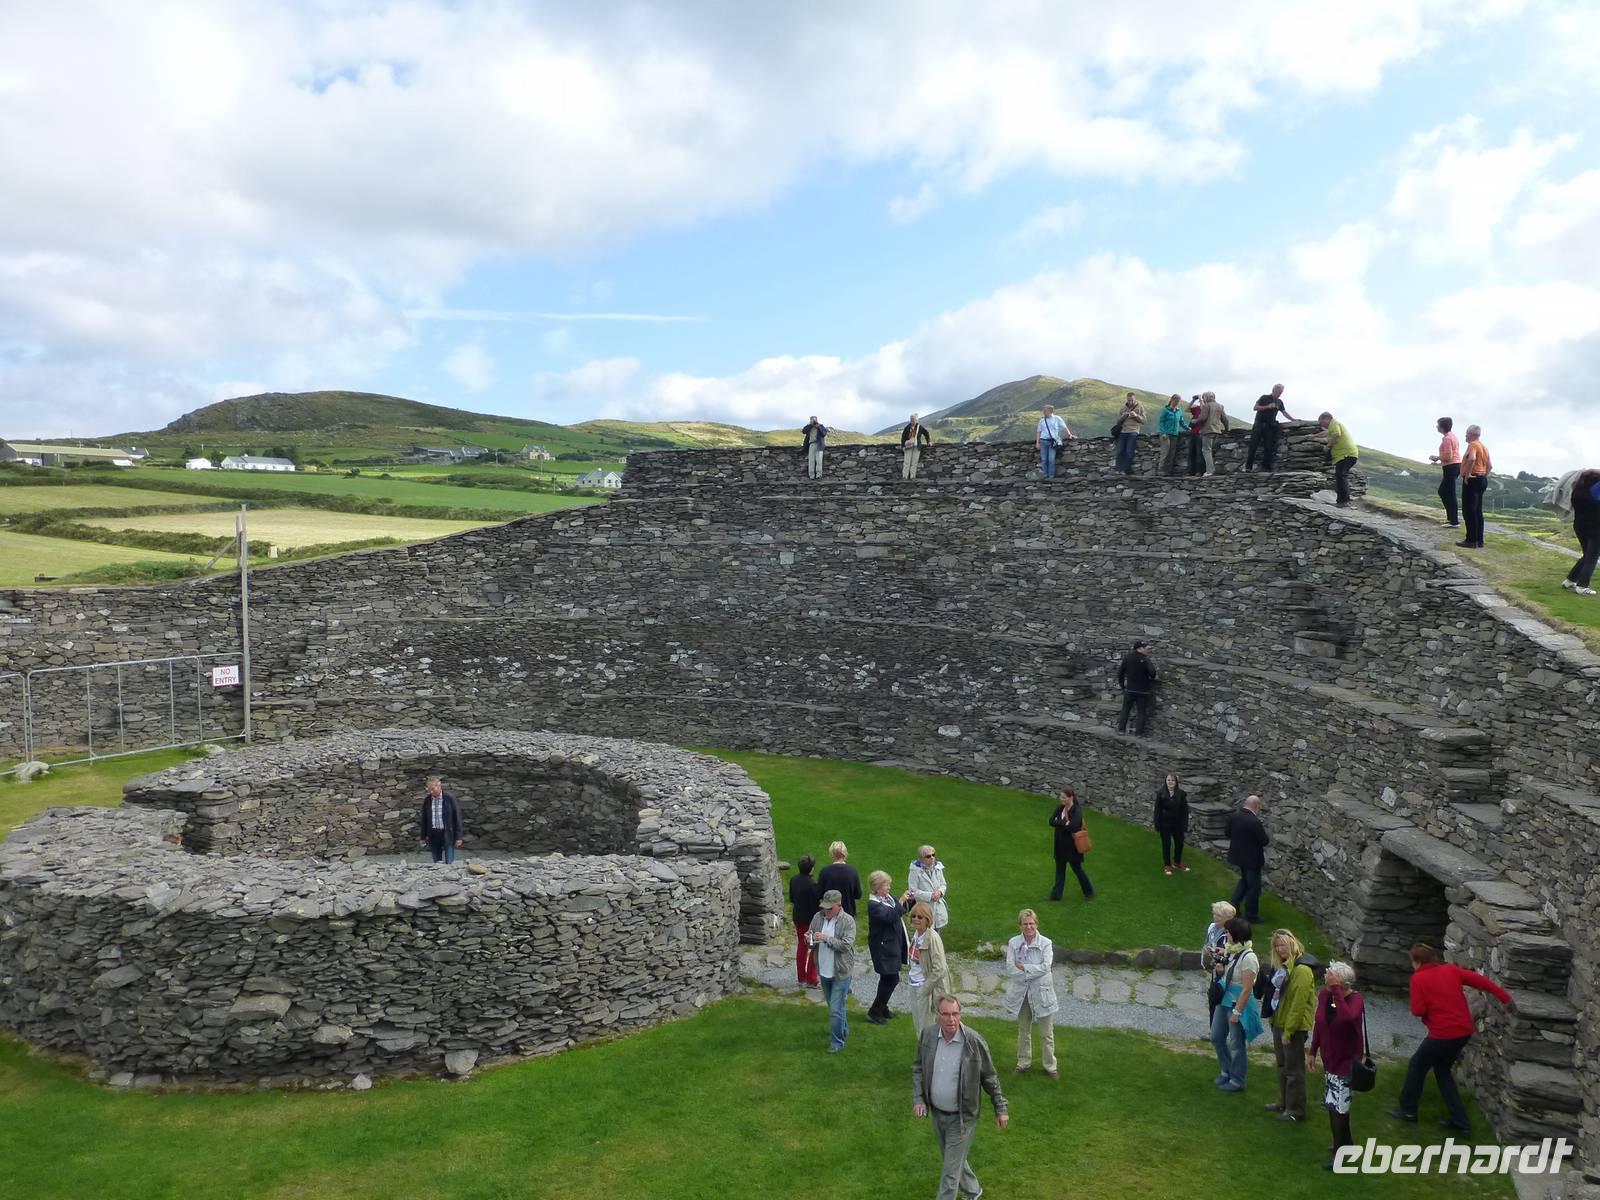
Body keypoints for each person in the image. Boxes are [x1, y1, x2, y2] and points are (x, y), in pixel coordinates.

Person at [1387, 943, 1513, 1134]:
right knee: (1442, 1071)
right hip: (1463, 1032)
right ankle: (1460, 1121)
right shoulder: (1450, 970)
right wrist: (1506, 998)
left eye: (1412, 961)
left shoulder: (1418, 979)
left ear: (1417, 961)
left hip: (1442, 1034)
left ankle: (1408, 1111)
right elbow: (1482, 982)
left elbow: (1418, 1010)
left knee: (1417, 1066)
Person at [912, 995, 1009, 1200]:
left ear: (960, 1014)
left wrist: (1000, 1108)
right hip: (938, 1114)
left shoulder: (973, 1042)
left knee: (949, 1173)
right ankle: (974, 1190)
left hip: (963, 1118)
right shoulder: (928, 1036)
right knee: (953, 1159)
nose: (951, 1019)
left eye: (955, 1014)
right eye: (946, 1014)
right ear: (938, 1015)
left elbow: (989, 1077)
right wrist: (919, 1099)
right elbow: (918, 1067)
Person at [1308, 961, 1366, 1170]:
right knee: (1337, 1105)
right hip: (1330, 1060)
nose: (1326, 977)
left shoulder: (1355, 999)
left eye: (1331, 976)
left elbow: (1347, 1018)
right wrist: (1313, 1050)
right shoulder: (1325, 995)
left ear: (1342, 982)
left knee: (1337, 1108)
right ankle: (1345, 1144)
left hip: (1346, 1062)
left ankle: (1339, 1152)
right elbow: (1320, 1023)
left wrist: (1336, 991)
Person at [1263, 928, 1317, 1122]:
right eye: (1277, 946)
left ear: (1292, 944)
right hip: (1279, 1022)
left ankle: (1295, 1110)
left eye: (1283, 945)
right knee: (1282, 1066)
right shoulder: (1283, 967)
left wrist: (1289, 1031)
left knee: (1294, 1070)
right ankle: (1284, 1102)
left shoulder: (1302, 970)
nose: (1279, 949)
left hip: (1292, 1027)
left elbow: (1298, 1004)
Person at [1004, 908, 1059, 1079]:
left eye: (1031, 923)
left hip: (1042, 993)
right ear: (1020, 925)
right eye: (1025, 924)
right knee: (1023, 1030)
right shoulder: (1013, 943)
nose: (1028, 927)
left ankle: (1050, 1066)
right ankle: (1023, 1063)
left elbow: (1046, 967)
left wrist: (1025, 968)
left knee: (1047, 1033)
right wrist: (1032, 971)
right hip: (1022, 993)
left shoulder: (1046, 943)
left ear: (1036, 924)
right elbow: (1010, 969)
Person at [1210, 916, 1262, 1092]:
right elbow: (1227, 974)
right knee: (1216, 1036)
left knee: (1236, 1044)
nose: (1226, 935)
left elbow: (1247, 988)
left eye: (1228, 932)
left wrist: (1237, 1012)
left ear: (1236, 934)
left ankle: (1237, 1080)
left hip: (1237, 1004)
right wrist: (1220, 970)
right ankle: (1226, 1070)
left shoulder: (1249, 958)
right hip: (1224, 1000)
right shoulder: (1230, 951)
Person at [807, 889, 856, 1053]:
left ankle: (837, 1043)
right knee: (836, 1007)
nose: (826, 911)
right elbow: (811, 941)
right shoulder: (817, 917)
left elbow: (845, 946)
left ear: (838, 905)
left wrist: (826, 938)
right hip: (824, 970)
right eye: (824, 907)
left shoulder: (848, 921)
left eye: (830, 908)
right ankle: (843, 1030)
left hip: (841, 972)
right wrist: (809, 939)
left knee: (835, 1010)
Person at [866, 870, 912, 1025]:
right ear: (878, 887)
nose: (889, 887)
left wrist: (909, 901)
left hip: (892, 944)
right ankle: (874, 1011)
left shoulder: (888, 898)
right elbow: (890, 916)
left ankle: (882, 1007)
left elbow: (900, 911)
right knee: (891, 978)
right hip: (883, 948)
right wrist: (901, 901)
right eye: (886, 885)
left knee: (888, 978)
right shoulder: (874, 905)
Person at [905, 902, 951, 1036]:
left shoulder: (932, 938)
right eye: (913, 916)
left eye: (920, 917)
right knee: (918, 1025)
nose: (916, 919)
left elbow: (940, 969)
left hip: (924, 987)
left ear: (927, 919)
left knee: (926, 1028)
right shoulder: (916, 935)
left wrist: (925, 989)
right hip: (913, 984)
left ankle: (928, 1049)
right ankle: (922, 1048)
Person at [1553, 468, 1600, 596]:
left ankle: (1570, 580)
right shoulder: (1595, 493)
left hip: (1580, 526)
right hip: (1596, 529)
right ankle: (1582, 586)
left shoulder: (1578, 492)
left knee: (1587, 555)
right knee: (1592, 558)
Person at [1226, 795, 1269, 922]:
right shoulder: (1254, 822)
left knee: (1245, 881)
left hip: (1237, 856)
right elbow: (1264, 840)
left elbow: (1227, 833)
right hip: (1252, 860)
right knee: (1254, 887)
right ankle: (1251, 915)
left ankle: (1233, 905)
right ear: (1256, 806)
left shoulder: (1234, 816)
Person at [1047, 785, 1094, 901]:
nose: (1062, 800)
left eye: (1064, 798)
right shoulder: (1060, 808)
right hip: (1060, 844)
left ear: (1071, 797)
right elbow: (1051, 821)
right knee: (1060, 871)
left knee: (1077, 870)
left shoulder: (1076, 810)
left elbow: (1073, 826)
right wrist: (1064, 823)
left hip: (1072, 847)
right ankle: (1056, 896)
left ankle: (1089, 892)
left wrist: (1059, 823)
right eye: (1061, 797)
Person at [789, 854, 822, 987]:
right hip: (810, 920)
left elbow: (792, 898)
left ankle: (801, 977)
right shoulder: (812, 884)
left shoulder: (794, 880)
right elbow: (815, 905)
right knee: (813, 947)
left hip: (798, 917)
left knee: (802, 946)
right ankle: (811, 979)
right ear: (812, 868)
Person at [1458, 425, 1492, 549]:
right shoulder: (1484, 447)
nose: (1465, 436)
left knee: (1469, 510)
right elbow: (1490, 466)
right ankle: (1479, 540)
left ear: (1471, 434)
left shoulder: (1473, 445)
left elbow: (1472, 458)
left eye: (1467, 433)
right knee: (1477, 510)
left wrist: (1467, 474)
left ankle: (1471, 540)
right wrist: (1483, 476)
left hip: (1473, 479)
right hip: (1482, 478)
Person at [1246, 384, 1293, 472]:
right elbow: (1255, 408)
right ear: (1273, 390)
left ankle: (1266, 467)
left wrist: (1293, 419)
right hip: (1259, 424)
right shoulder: (1264, 397)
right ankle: (1248, 467)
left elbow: (1284, 412)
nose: (1279, 394)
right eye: (1278, 392)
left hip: (1270, 426)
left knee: (1269, 447)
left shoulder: (1279, 402)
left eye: (1281, 392)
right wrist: (1267, 406)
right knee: (1253, 446)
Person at [1202, 901, 1236, 1022]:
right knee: (1213, 1000)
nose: (1215, 917)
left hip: (1227, 974)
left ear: (1228, 919)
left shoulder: (1233, 933)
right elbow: (1208, 943)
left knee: (1223, 1002)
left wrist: (1224, 952)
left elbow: (1236, 953)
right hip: (1215, 971)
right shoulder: (1212, 927)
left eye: (1219, 916)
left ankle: (1221, 1028)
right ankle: (1214, 1029)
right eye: (1214, 914)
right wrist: (1207, 950)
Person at [417, 776, 463, 864]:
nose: (430, 791)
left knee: (449, 862)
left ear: (439, 786)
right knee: (437, 863)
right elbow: (424, 820)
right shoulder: (427, 800)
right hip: (433, 834)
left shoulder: (450, 798)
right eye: (429, 789)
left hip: (448, 834)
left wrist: (459, 837)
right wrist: (423, 837)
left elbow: (457, 817)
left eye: (432, 789)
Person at [1115, 640, 1157, 736]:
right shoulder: (1145, 659)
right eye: (1146, 648)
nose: (1148, 650)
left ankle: (1121, 730)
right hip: (1143, 690)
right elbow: (1153, 673)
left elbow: (1120, 673)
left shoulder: (1127, 658)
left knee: (1125, 710)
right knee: (1141, 712)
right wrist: (1150, 677)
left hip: (1130, 689)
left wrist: (1122, 686)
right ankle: (1138, 733)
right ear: (1140, 648)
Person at [1318, 412, 1359, 508]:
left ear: (1326, 419)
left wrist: (1328, 447)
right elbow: (1325, 434)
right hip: (1347, 455)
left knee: (1341, 476)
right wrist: (1313, 436)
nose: (1321, 425)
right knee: (1340, 477)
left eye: (1321, 422)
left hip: (1345, 455)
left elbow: (1336, 435)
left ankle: (1344, 501)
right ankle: (1341, 501)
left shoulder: (1334, 423)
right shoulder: (1332, 427)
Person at [1153, 772, 1189, 875]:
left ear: (1176, 782)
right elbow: (1157, 810)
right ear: (1166, 781)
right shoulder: (1161, 793)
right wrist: (1157, 824)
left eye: (1173, 780)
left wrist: (1184, 824)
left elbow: (1185, 811)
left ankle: (1177, 863)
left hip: (1178, 823)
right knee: (1166, 844)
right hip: (1165, 823)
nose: (1170, 782)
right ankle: (1167, 865)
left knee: (1179, 844)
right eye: (1169, 780)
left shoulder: (1181, 794)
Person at [1428, 417, 1461, 527]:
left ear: (1442, 427)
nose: (1436, 426)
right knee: (1445, 492)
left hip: (1451, 466)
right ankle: (1451, 518)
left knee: (1448, 493)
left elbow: (1448, 456)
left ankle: (1454, 521)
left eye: (1438, 425)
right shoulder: (1452, 436)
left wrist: (1437, 458)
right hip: (1455, 466)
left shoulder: (1447, 439)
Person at [908, 844, 949, 929]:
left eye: (933, 855)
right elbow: (912, 891)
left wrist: (940, 892)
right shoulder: (915, 871)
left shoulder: (938, 867)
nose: (932, 858)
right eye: (928, 856)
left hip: (938, 908)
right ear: (921, 858)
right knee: (925, 933)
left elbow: (943, 884)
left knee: (937, 933)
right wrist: (930, 896)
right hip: (924, 909)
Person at [817, 840, 862, 916]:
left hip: (829, 913)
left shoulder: (824, 871)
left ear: (832, 854)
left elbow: (819, 894)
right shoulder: (852, 871)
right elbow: (858, 894)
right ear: (845, 853)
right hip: (847, 913)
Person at [1192, 391, 1230, 475]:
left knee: (1206, 450)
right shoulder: (1220, 406)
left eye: (1204, 397)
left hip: (1207, 431)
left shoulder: (1207, 406)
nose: (1203, 399)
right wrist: (1227, 429)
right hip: (1217, 431)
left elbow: (1203, 418)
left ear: (1207, 397)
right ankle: (1211, 470)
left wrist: (1195, 421)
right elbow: (1225, 419)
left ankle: (1210, 471)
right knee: (1211, 450)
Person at [1035, 404, 1072, 479]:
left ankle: (1051, 476)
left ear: (1050, 411)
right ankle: (1045, 475)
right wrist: (1037, 442)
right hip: (1043, 441)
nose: (1043, 412)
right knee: (1044, 459)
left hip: (1052, 442)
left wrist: (1069, 434)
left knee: (1051, 459)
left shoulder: (1057, 418)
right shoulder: (1042, 420)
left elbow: (1064, 427)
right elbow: (1038, 431)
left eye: (1045, 411)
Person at [1113, 391, 1146, 474]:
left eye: (1132, 400)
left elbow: (1144, 421)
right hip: (1123, 431)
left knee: (1129, 451)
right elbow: (1118, 422)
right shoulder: (1123, 408)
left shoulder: (1140, 407)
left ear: (1135, 399)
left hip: (1133, 431)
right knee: (1120, 451)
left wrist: (1136, 416)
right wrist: (1123, 417)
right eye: (1129, 400)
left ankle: (1126, 470)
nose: (1130, 402)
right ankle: (1118, 470)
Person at [1158, 394, 1190, 475]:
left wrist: (1188, 429)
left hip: (1175, 435)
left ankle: (1168, 471)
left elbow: (1181, 422)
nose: (1177, 403)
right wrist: (1163, 432)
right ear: (1172, 400)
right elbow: (1161, 422)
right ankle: (1161, 470)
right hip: (1166, 435)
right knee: (1165, 452)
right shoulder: (1165, 410)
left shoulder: (1179, 411)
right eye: (1176, 401)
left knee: (1172, 454)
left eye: (1179, 401)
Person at [902, 413, 932, 480]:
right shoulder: (907, 427)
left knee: (914, 462)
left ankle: (912, 477)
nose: (912, 420)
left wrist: (928, 441)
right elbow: (903, 437)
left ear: (917, 420)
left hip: (916, 447)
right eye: (911, 419)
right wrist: (903, 446)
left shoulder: (920, 427)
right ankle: (904, 477)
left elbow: (926, 433)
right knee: (907, 462)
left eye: (913, 419)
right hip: (908, 447)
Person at [801, 415, 828, 480]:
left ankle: (819, 475)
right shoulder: (809, 427)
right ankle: (811, 476)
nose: (813, 421)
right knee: (811, 461)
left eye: (814, 419)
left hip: (819, 444)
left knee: (819, 460)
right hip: (811, 444)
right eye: (812, 419)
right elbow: (803, 431)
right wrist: (810, 424)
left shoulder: (821, 426)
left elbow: (824, 433)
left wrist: (818, 426)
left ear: (817, 420)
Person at [1186, 395, 1205, 475]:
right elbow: (1187, 410)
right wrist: (1193, 400)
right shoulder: (1197, 408)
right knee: (1191, 453)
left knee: (1199, 452)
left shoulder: (1206, 408)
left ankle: (1199, 471)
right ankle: (1190, 471)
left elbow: (1203, 409)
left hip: (1200, 433)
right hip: (1193, 432)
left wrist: (1200, 399)